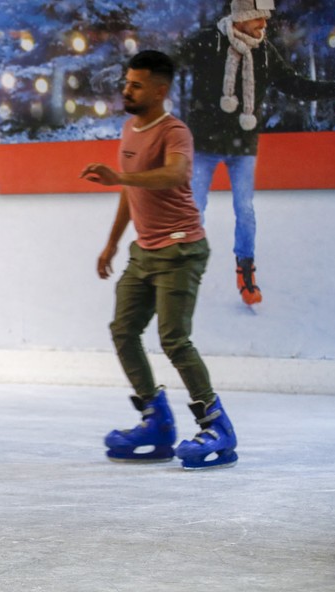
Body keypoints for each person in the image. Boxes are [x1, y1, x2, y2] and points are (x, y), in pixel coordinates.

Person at [80, 50, 238, 470]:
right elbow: (130, 192)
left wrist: (120, 177)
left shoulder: (175, 131)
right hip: (144, 252)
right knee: (123, 330)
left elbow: (175, 174)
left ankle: (216, 425)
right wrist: (111, 244)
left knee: (174, 339)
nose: (126, 90)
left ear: (159, 90)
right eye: (126, 83)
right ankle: (156, 420)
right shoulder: (129, 129)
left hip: (181, 250)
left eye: (136, 85)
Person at [180, 0, 335, 306]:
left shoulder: (264, 52)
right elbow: (172, 60)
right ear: (240, 18)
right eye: (257, 18)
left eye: (266, 18)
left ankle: (246, 269)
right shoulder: (209, 41)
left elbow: (296, 85)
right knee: (194, 208)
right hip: (205, 145)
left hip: (243, 145)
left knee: (245, 210)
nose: (264, 24)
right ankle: (182, 269)